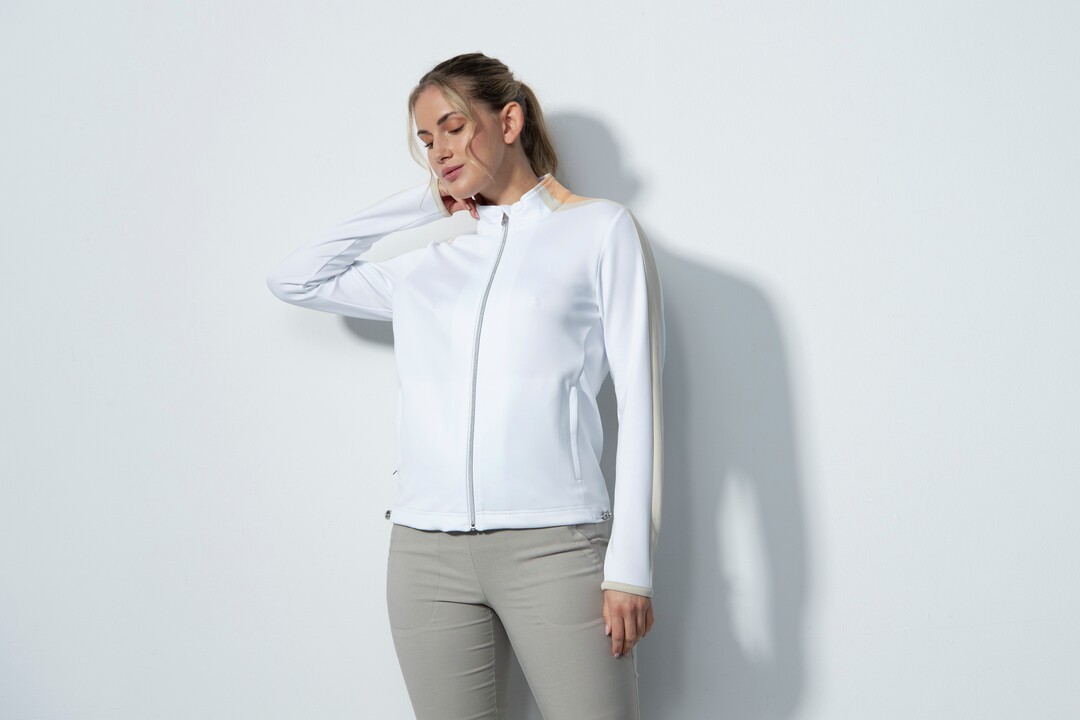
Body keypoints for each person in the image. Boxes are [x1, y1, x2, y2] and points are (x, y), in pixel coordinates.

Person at [266, 52, 666, 720]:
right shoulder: (430, 264)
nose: (440, 152)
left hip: (555, 546)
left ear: (508, 121)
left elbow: (642, 403)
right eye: (427, 141)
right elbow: (294, 278)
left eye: (453, 128)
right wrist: (425, 203)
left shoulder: (600, 231)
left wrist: (630, 567)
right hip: (425, 554)